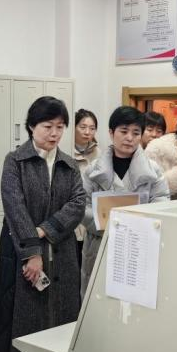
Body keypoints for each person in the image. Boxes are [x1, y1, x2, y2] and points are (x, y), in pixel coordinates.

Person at [0, 96, 85, 352]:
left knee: (61, 325)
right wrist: (33, 252)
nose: (54, 133)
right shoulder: (15, 161)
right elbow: (15, 208)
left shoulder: (69, 164)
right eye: (47, 126)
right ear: (32, 126)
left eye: (60, 127)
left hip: (62, 256)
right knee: (23, 326)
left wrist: (43, 230)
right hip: (23, 254)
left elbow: (78, 205)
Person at [80, 106, 169, 295]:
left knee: (134, 299)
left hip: (138, 245)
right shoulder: (93, 169)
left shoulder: (153, 170)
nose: (130, 138)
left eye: (136, 133)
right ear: (111, 133)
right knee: (97, 298)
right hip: (100, 243)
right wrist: (108, 226)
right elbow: (81, 206)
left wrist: (135, 227)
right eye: (124, 131)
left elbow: (162, 203)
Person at [72, 109, 99, 266]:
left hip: (91, 214)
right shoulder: (65, 151)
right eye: (82, 127)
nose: (87, 132)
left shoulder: (98, 153)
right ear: (73, 127)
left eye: (92, 128)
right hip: (72, 215)